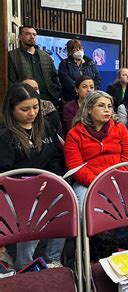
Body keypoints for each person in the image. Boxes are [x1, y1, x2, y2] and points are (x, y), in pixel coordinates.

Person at [0, 83, 65, 269]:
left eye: (35, 107)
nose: (32, 113)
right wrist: (28, 187)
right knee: (33, 213)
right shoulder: (4, 134)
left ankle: (53, 259)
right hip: (12, 191)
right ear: (11, 110)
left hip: (45, 185)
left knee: (64, 205)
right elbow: (4, 172)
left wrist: (53, 178)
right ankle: (24, 264)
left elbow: (55, 159)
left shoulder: (45, 127)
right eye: (25, 109)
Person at [64, 91, 128, 211]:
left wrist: (116, 179)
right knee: (85, 212)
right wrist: (97, 182)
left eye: (109, 106)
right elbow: (75, 166)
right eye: (101, 106)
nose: (107, 110)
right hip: (87, 183)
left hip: (118, 179)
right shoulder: (74, 134)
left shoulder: (120, 128)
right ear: (89, 109)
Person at [8, 26, 61, 107]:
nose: (32, 37)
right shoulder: (13, 56)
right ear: (20, 37)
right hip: (26, 100)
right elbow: (12, 81)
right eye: (28, 34)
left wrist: (57, 93)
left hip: (49, 99)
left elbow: (54, 77)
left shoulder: (45, 55)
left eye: (34, 34)